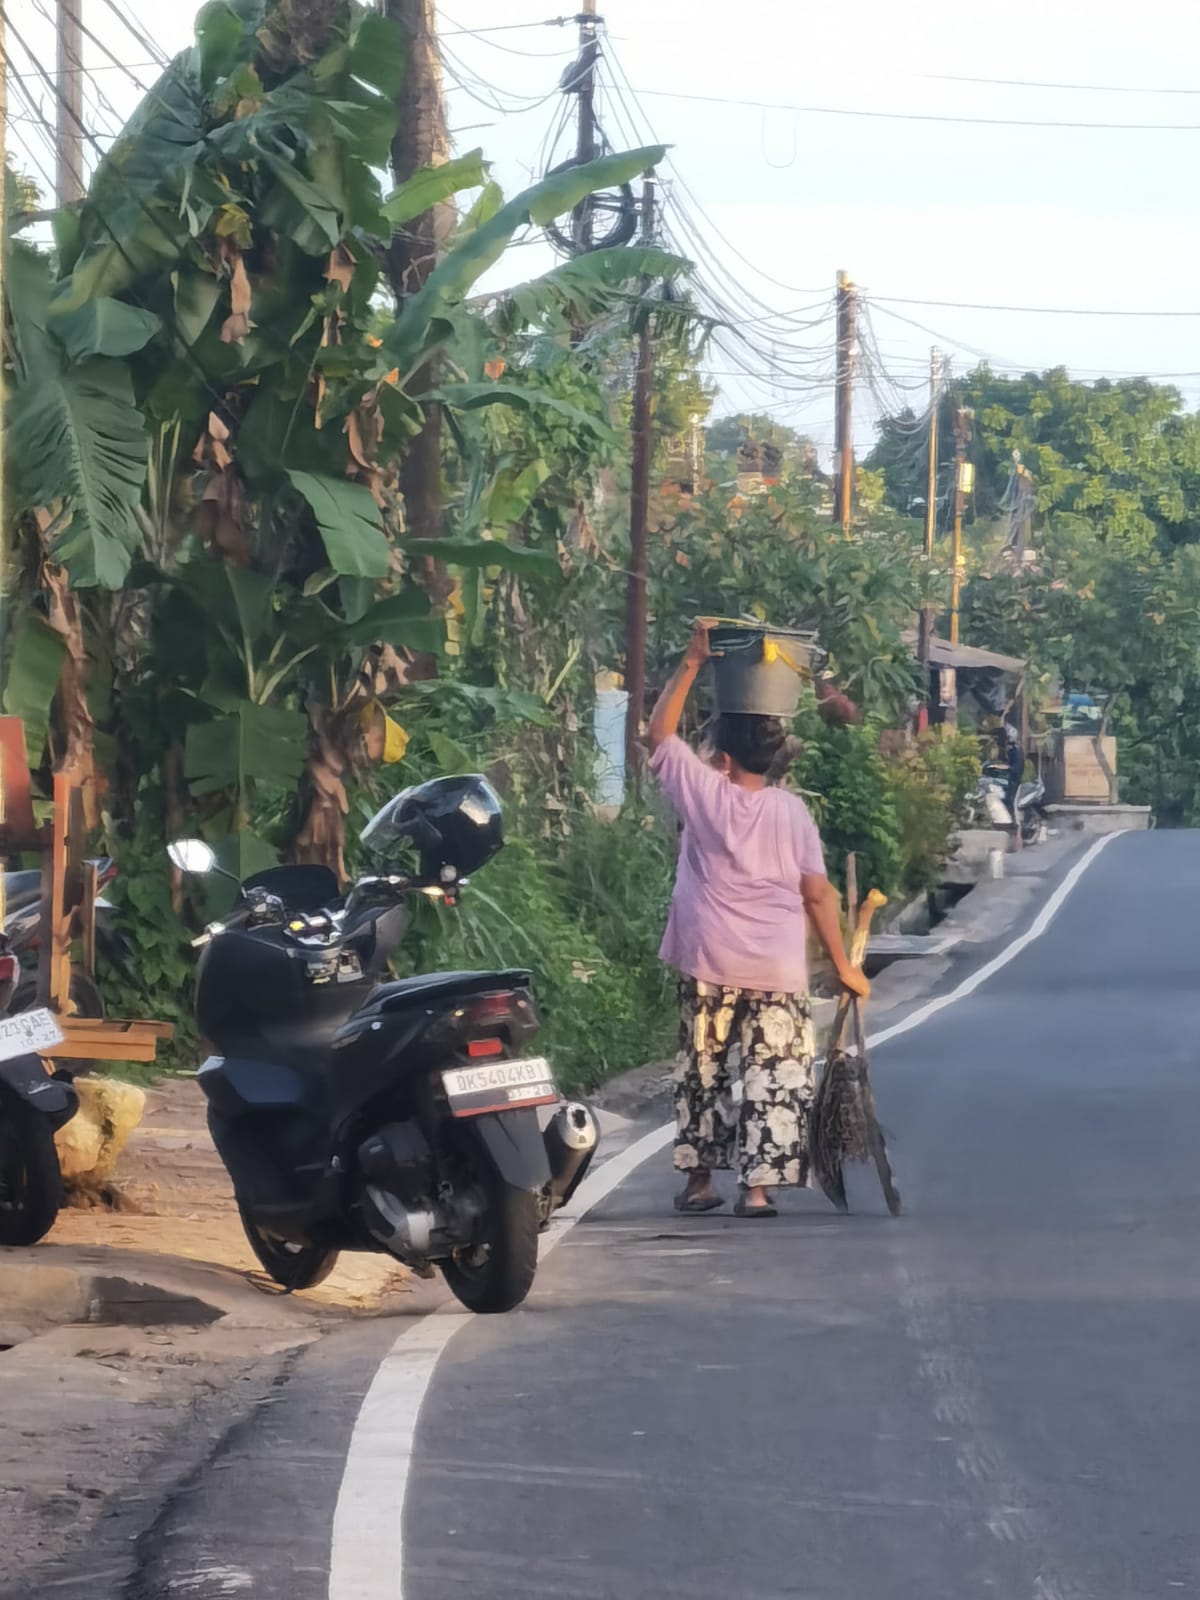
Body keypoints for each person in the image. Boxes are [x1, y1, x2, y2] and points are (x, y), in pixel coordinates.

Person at [647, 622, 870, 1219]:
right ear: (775, 758)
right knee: (775, 1074)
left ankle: (700, 1183)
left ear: (720, 756)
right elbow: (819, 896)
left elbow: (658, 733)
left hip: (709, 959)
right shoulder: (792, 813)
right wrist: (845, 966)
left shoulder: (704, 793)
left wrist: (693, 661)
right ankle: (758, 1190)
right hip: (776, 966)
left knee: (703, 1069)